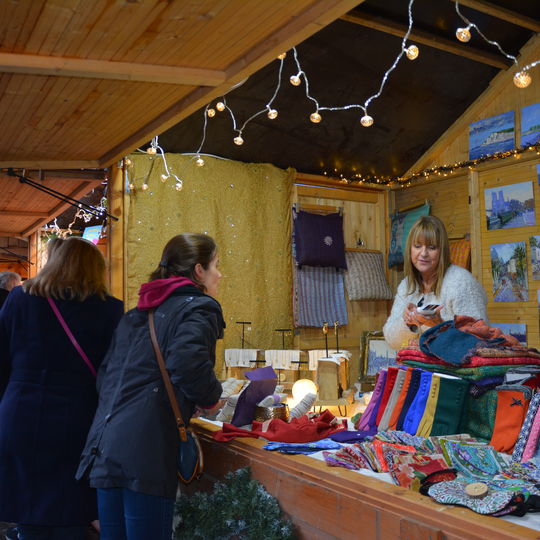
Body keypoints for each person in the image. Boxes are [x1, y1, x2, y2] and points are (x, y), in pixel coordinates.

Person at [77, 233, 225, 540]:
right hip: (147, 450)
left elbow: (106, 377)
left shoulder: (138, 312)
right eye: (215, 266)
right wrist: (212, 398)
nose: (219, 274)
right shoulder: (199, 307)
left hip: (106, 446)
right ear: (198, 270)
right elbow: (187, 362)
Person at [0, 237, 124, 540]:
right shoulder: (110, 310)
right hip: (78, 417)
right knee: (70, 505)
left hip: (20, 412)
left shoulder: (19, 299)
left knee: (29, 503)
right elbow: (115, 372)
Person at [383, 215, 487, 350]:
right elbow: (391, 340)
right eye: (417, 246)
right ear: (410, 249)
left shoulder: (461, 282)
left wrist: (439, 326)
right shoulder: (406, 285)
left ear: (441, 251)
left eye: (431, 247)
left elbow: (479, 339)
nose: (423, 253)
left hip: (454, 369)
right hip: (420, 367)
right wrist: (408, 323)